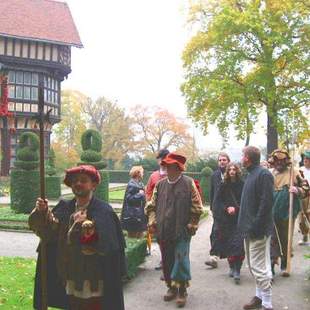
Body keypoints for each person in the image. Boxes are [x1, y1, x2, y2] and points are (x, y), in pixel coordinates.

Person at [29, 165, 126, 310]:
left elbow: (108, 246)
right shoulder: (64, 207)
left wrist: (86, 229)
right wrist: (42, 212)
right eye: (74, 181)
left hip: (93, 277)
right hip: (69, 274)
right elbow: (48, 232)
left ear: (93, 185)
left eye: (83, 180)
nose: (78, 183)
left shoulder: (104, 211)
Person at [146, 152, 203, 308]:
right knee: (167, 260)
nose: (165, 168)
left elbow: (197, 207)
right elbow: (150, 206)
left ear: (178, 168)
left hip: (182, 231)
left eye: (169, 166)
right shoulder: (160, 184)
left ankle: (182, 290)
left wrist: (192, 223)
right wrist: (152, 220)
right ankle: (171, 287)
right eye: (165, 165)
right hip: (163, 230)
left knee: (181, 260)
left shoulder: (188, 183)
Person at [238, 146, 274, 310]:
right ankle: (259, 296)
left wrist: (255, 225)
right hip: (249, 229)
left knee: (259, 267)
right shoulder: (251, 173)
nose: (241, 158)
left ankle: (267, 302)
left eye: (242, 155)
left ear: (248, 158)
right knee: (254, 265)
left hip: (257, 230)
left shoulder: (264, 174)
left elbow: (266, 203)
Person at [269, 149, 309, 277]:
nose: (279, 163)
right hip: (272, 209)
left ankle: (285, 263)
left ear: (286, 161)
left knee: (285, 237)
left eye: (282, 160)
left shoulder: (294, 172)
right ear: (273, 162)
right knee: (273, 238)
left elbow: (306, 187)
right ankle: (271, 264)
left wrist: (297, 189)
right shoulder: (270, 173)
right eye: (277, 161)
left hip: (288, 210)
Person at [212, 162, 244, 284]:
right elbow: (217, 201)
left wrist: (236, 209)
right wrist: (226, 209)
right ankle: (231, 266)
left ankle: (238, 269)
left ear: (237, 171)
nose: (231, 171)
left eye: (234, 169)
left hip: (239, 219)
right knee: (228, 243)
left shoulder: (242, 184)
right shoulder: (223, 185)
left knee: (238, 244)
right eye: (229, 169)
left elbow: (245, 201)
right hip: (226, 220)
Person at [205, 152, 230, 268]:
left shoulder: (232, 173)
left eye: (224, 160)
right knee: (215, 231)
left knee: (228, 232)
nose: (222, 162)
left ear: (228, 161)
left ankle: (231, 256)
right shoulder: (214, 175)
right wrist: (212, 207)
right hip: (218, 208)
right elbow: (212, 192)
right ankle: (213, 256)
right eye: (220, 160)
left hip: (230, 208)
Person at [121, 165, 147, 238]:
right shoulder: (132, 185)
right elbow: (129, 199)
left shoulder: (139, 184)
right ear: (138, 173)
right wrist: (140, 194)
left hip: (138, 216)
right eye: (142, 172)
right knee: (132, 237)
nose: (143, 174)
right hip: (133, 216)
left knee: (140, 236)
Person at [298, 150, 310, 245]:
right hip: (302, 196)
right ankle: (304, 235)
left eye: (308, 158)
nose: (305, 160)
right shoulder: (300, 170)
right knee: (302, 217)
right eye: (305, 158)